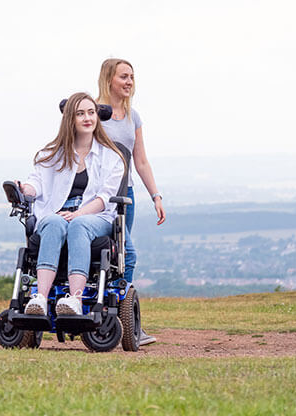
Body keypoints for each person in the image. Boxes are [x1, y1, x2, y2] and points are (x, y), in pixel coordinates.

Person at [20, 92, 126, 316]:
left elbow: (103, 199)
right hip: (58, 214)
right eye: (80, 114)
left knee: (79, 226)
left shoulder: (111, 157)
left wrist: (78, 214)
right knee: (52, 222)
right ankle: (40, 298)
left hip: (95, 217)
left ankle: (75, 300)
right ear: (70, 119)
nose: (87, 118)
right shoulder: (52, 154)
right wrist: (24, 190)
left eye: (91, 112)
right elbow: (36, 182)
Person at [97, 58, 166, 344]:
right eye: (124, 76)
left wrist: (156, 196)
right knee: (127, 253)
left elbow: (141, 160)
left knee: (120, 258)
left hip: (127, 195)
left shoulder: (133, 116)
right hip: (101, 197)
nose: (129, 82)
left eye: (131, 77)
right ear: (109, 79)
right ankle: (119, 321)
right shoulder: (93, 112)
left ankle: (120, 319)